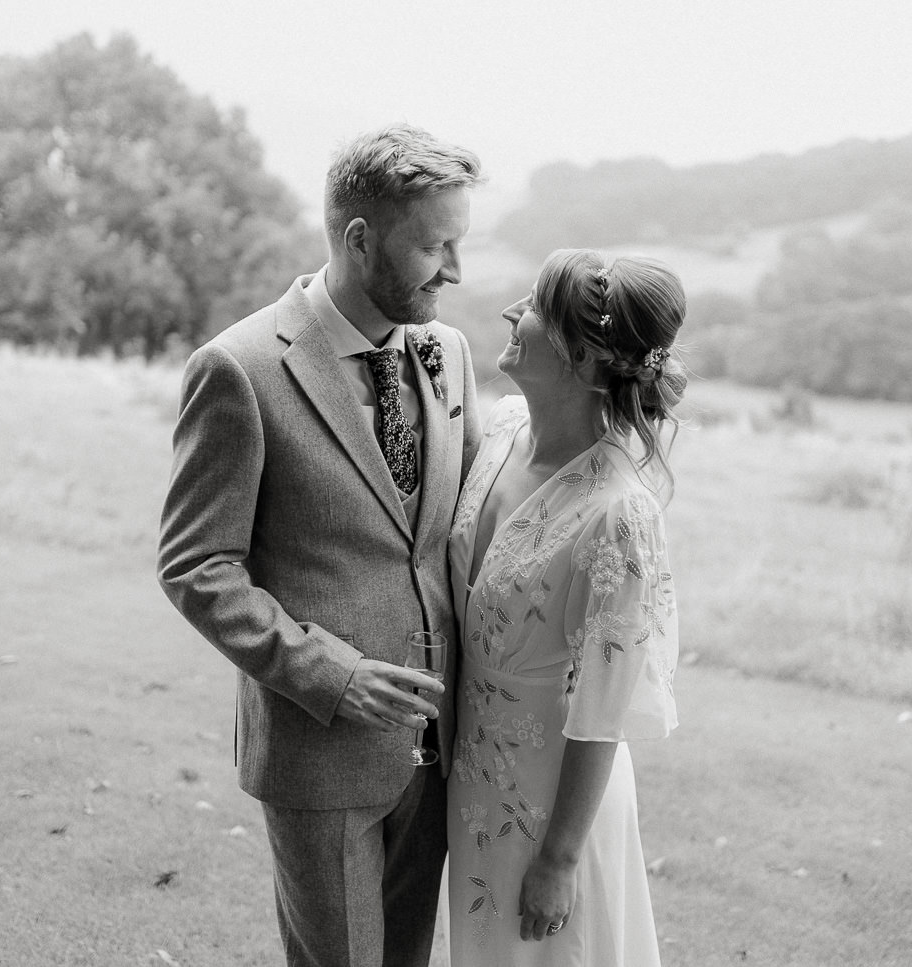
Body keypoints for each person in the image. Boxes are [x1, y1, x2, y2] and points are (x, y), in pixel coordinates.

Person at [157, 124, 483, 967]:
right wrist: (331, 673)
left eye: (460, 242)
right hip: (319, 753)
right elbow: (197, 565)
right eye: (434, 245)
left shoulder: (447, 352)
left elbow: (452, 531)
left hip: (440, 745)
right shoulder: (238, 369)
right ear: (359, 238)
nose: (455, 269)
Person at [446, 249, 686, 965]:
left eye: (534, 310)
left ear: (584, 360)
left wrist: (560, 857)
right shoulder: (502, 430)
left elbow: (606, 706)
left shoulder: (619, 514)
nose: (510, 314)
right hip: (476, 785)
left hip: (555, 808)